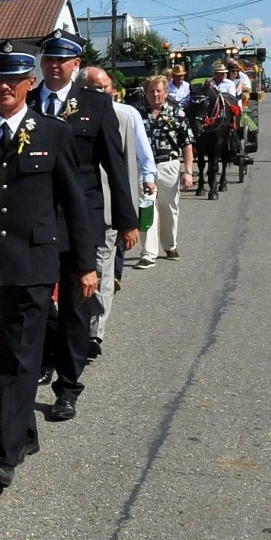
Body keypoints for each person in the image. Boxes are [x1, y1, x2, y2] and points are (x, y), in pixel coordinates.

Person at [0, 46, 96, 488]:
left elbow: (74, 204)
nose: (5, 86)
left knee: (22, 357)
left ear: (30, 83)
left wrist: (84, 264)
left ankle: (4, 455)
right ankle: (25, 432)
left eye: (15, 79)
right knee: (1, 353)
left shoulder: (53, 132)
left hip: (34, 261)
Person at [30, 31, 135, 423]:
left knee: (76, 304)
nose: (54, 66)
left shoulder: (95, 104)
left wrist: (126, 219)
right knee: (36, 301)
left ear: (76, 64)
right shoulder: (27, 102)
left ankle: (69, 385)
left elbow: (114, 164)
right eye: (48, 59)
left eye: (62, 60)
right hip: (37, 219)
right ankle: (45, 359)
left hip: (81, 220)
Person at [81, 68, 153, 357]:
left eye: (107, 87)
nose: (105, 93)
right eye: (97, 88)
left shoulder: (123, 117)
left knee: (101, 271)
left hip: (108, 211)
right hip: (74, 209)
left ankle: (93, 334)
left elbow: (126, 170)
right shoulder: (69, 114)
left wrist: (128, 218)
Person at [135, 76, 195, 268]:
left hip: (168, 164)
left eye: (159, 90)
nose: (155, 94)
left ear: (166, 92)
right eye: (151, 91)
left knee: (169, 209)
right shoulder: (137, 115)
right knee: (147, 209)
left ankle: (170, 245)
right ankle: (148, 254)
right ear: (146, 94)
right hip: (145, 168)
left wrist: (188, 171)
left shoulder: (178, 114)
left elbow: (187, 144)